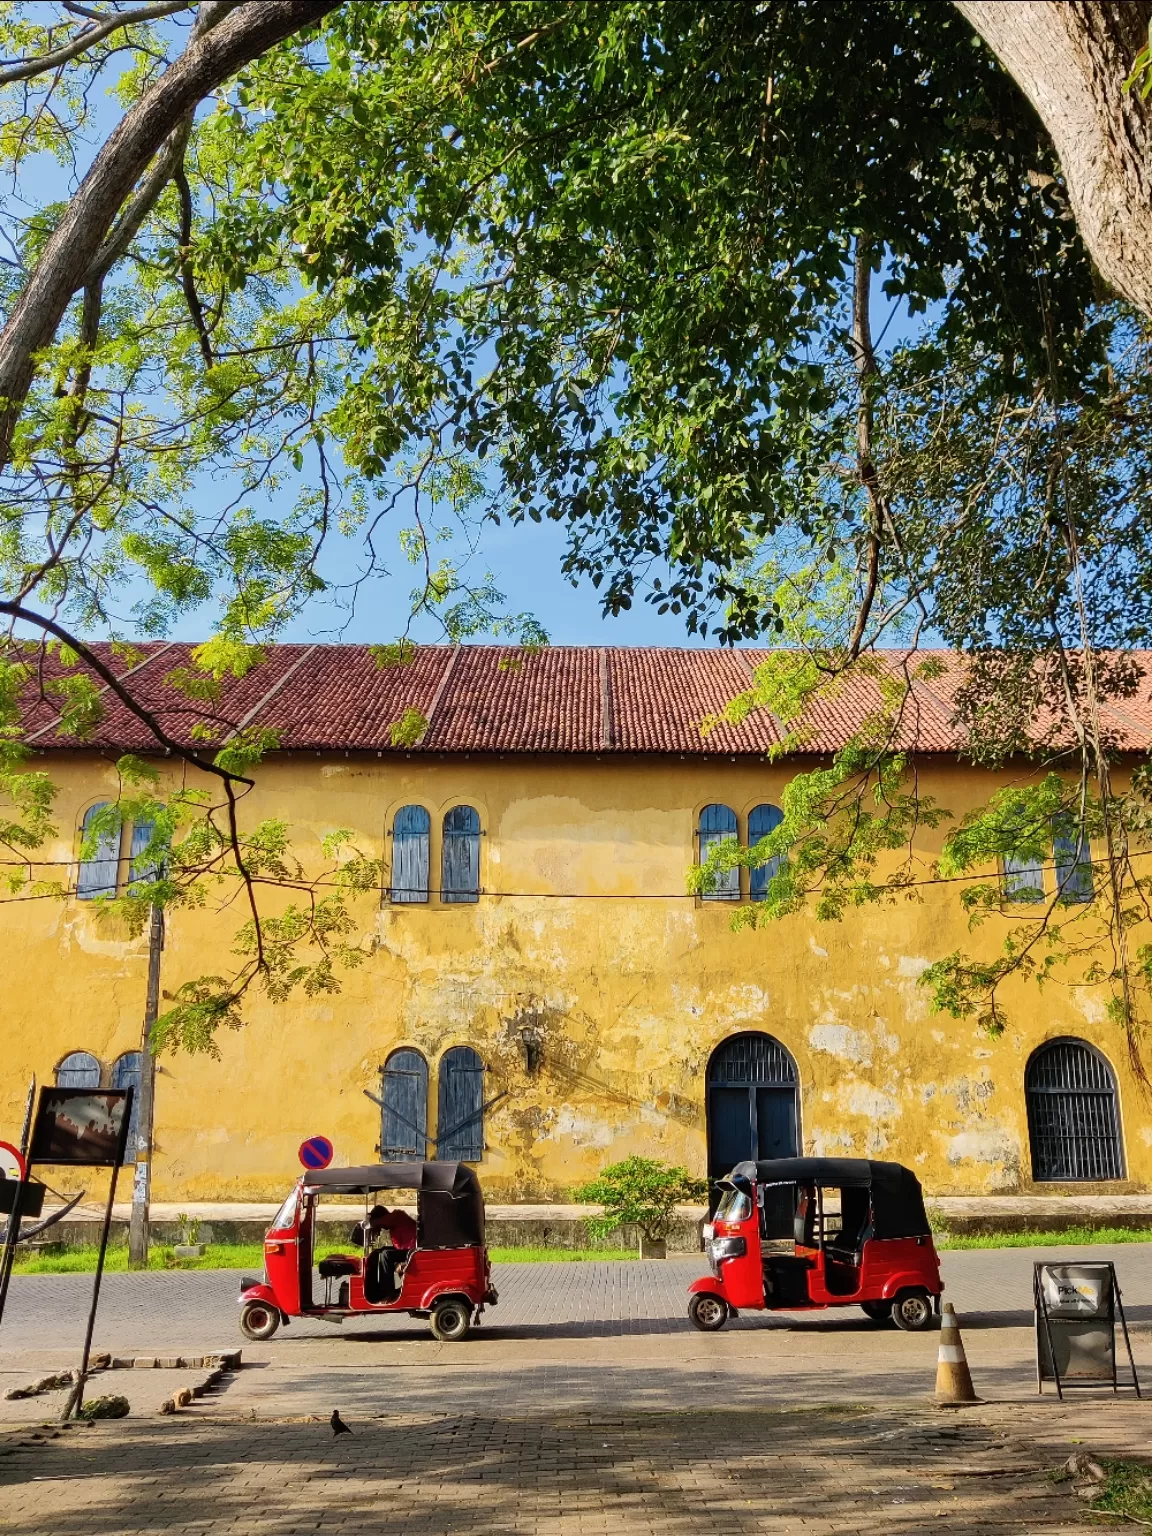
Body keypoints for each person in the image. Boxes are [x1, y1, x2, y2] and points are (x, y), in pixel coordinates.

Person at [351, 1205, 417, 1300]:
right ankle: (377, 1289)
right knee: (379, 1251)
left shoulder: (396, 1216)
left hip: (414, 1251)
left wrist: (367, 1222)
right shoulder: (394, 1223)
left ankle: (388, 1292)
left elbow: (378, 1222)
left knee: (386, 1254)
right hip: (407, 1250)